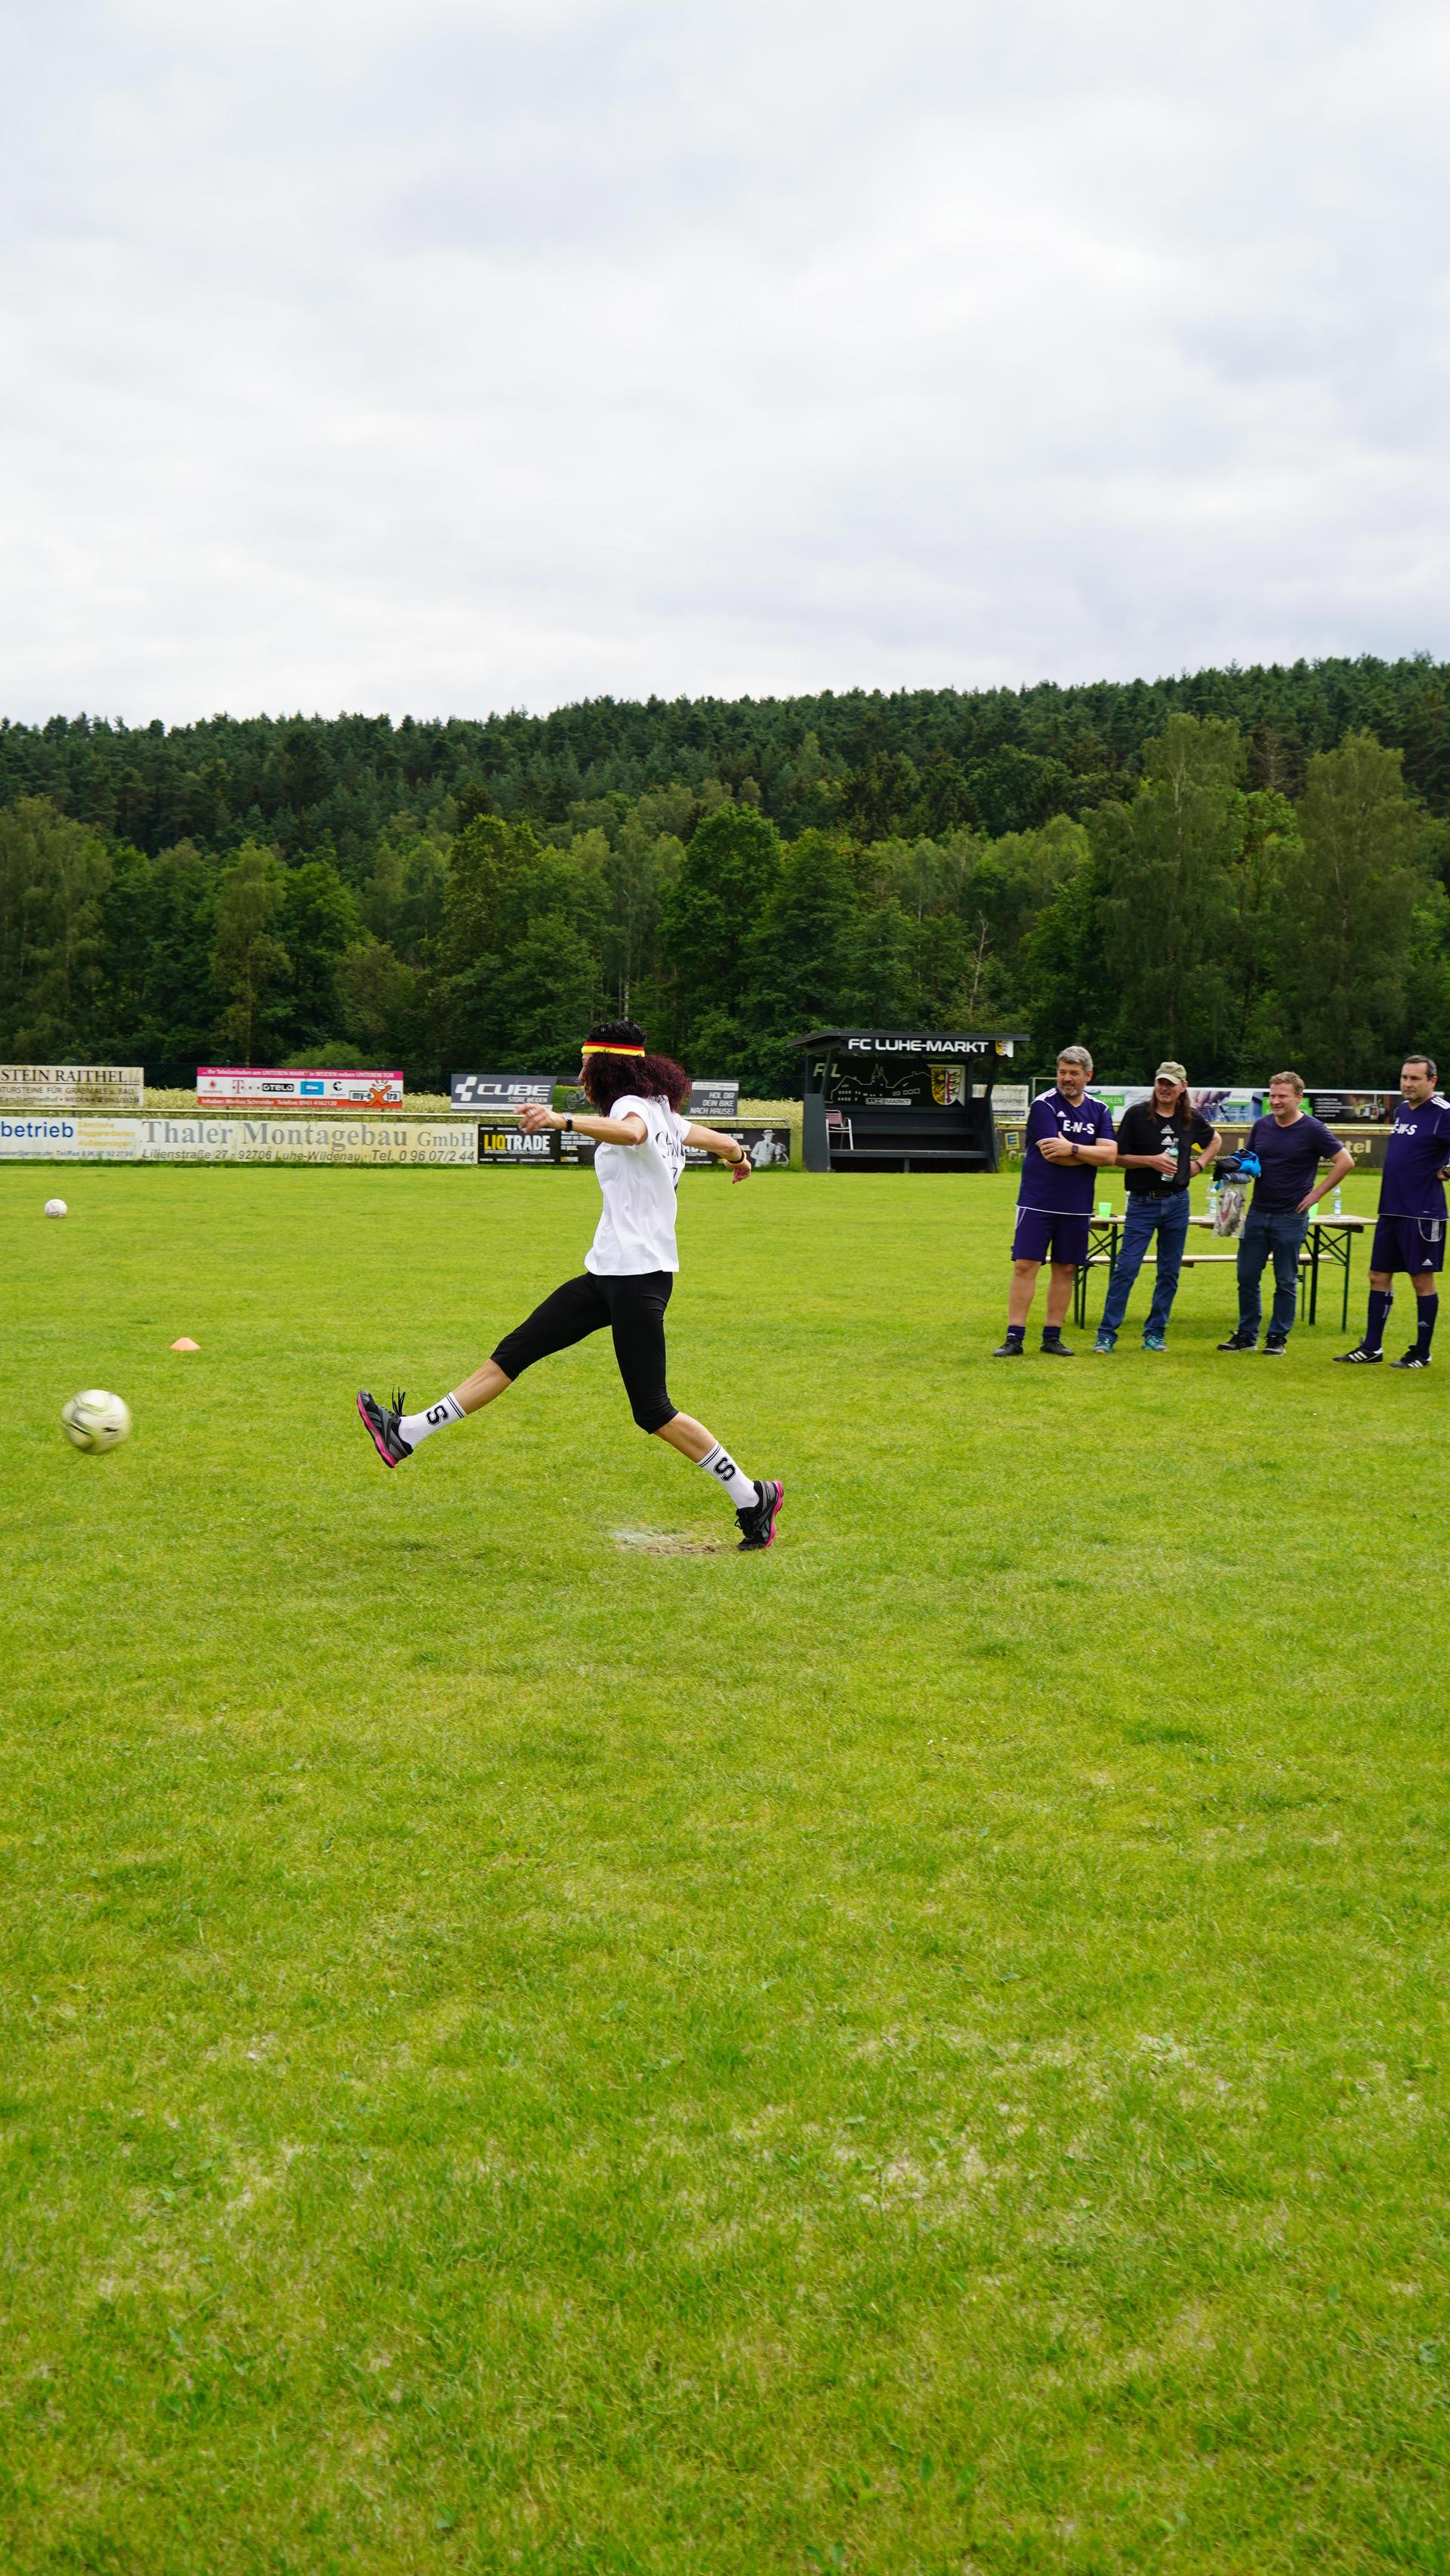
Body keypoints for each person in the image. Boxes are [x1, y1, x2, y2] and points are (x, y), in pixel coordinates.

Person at [356, 1018, 785, 1551]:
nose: (581, 1074)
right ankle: (407, 1433)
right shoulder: (665, 1114)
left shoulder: (634, 1112)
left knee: (653, 1410)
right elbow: (717, 1140)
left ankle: (752, 1495)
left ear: (608, 1066)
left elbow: (632, 1134)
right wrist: (739, 1159)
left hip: (638, 1280)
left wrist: (561, 1120)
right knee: (512, 1354)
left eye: (585, 1064)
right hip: (606, 1274)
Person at [1217, 1072, 1353, 1354]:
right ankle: (1247, 1335)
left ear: (1298, 1098)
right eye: (1273, 1096)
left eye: (1282, 1096)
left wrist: (1316, 1194)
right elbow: (1250, 1165)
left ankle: (1277, 1338)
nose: (1276, 1101)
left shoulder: (1314, 1128)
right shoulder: (1262, 1126)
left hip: (1290, 1215)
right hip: (1258, 1212)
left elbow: (1345, 1161)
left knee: (1286, 1279)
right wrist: (1231, 1170)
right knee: (1246, 1276)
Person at [995, 1045, 1116, 1357]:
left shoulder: (1100, 1110)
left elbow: (1110, 1156)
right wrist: (1089, 1154)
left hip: (1076, 1204)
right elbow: (1053, 1153)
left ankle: (1052, 1337)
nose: (1067, 1078)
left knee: (1065, 1269)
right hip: (1038, 1200)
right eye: (1063, 1072)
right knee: (1026, 1265)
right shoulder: (1043, 1105)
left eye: (1074, 1073)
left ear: (1088, 1075)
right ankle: (1014, 1337)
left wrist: (1074, 1149)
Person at [1093, 1063, 1220, 1352]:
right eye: (1161, 1082)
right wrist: (1150, 1160)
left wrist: (1199, 1165)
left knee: (1169, 1271)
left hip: (1177, 1202)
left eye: (1171, 1084)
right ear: (1155, 1084)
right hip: (1141, 1201)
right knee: (1126, 1268)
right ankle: (1106, 1335)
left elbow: (1215, 1140)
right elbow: (1117, 1157)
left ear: (1183, 1087)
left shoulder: (1190, 1118)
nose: (1165, 1088)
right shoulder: (1137, 1115)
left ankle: (1155, 1333)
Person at [1336, 1053, 1450, 1367]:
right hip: (1391, 1209)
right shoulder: (1401, 1110)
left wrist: (1448, 1170)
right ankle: (1372, 1348)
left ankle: (1422, 1352)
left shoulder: (1443, 1113)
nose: (1408, 1084)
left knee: (1420, 1280)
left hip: (1423, 1213)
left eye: (1415, 1078)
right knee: (1377, 1275)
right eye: (1404, 1077)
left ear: (1432, 1081)